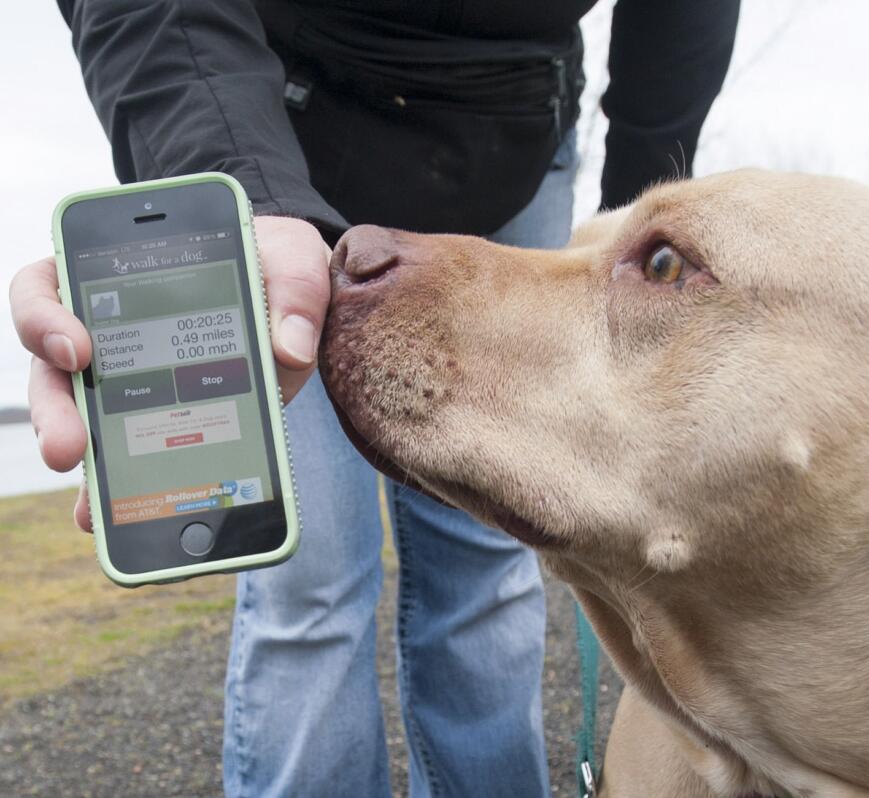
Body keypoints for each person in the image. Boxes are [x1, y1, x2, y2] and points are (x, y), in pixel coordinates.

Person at [12, 1, 739, 796]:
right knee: (306, 574)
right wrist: (242, 186)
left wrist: (635, 242)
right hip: (281, 135)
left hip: (510, 141)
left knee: (490, 570)